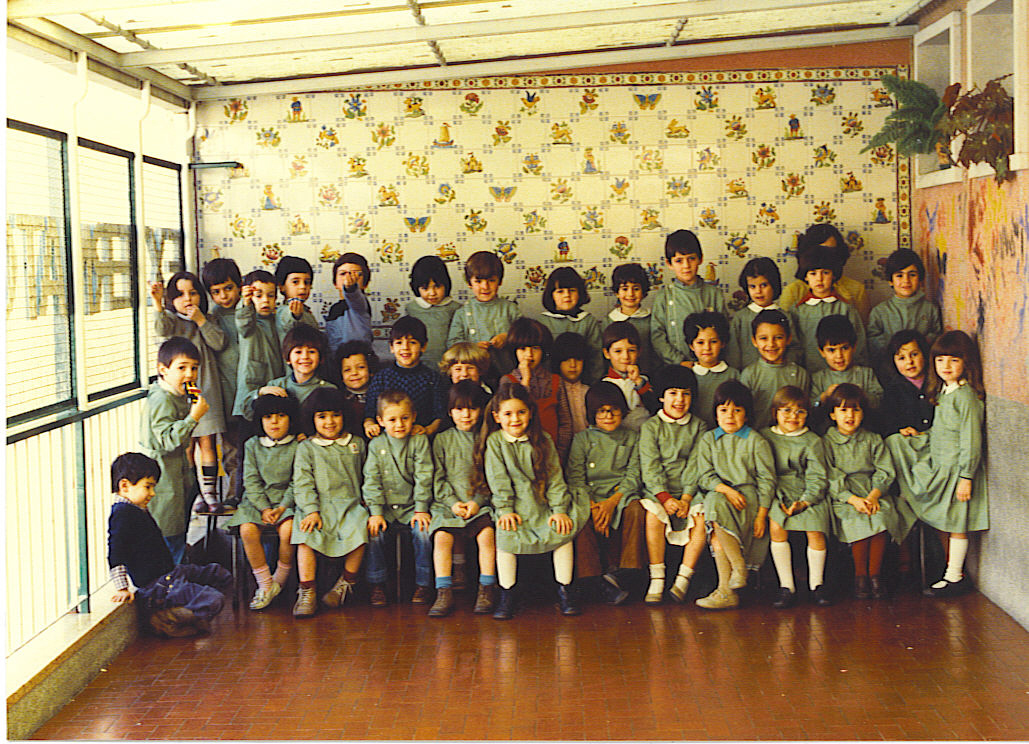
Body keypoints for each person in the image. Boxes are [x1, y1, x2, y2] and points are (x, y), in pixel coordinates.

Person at [474, 381, 588, 619]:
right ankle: (507, 593)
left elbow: (555, 477)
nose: (515, 419)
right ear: (497, 416)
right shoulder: (495, 443)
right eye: (508, 414)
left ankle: (565, 590)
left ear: (530, 413)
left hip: (543, 503)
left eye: (521, 412)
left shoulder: (542, 439)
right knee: (505, 537)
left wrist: (559, 509)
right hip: (513, 506)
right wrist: (504, 510)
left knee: (562, 531)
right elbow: (498, 480)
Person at [886, 331, 988, 598]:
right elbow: (942, 431)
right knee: (898, 443)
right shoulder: (945, 391)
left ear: (967, 362)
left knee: (957, 523)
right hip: (941, 464)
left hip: (956, 470)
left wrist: (966, 476)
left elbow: (970, 439)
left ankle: (955, 576)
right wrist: (919, 437)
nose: (945, 367)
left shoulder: (966, 397)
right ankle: (950, 574)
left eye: (953, 360)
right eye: (940, 360)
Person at [108, 453, 232, 637]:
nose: (152, 493)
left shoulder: (136, 509)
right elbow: (115, 552)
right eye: (147, 487)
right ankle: (166, 618)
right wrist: (122, 587)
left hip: (170, 572)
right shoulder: (122, 514)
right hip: (158, 586)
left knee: (218, 572)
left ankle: (187, 606)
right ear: (124, 486)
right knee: (214, 600)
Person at [823, 384, 911, 600]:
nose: (850, 415)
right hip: (845, 496)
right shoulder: (826, 442)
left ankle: (875, 576)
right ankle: (860, 576)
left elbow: (885, 470)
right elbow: (829, 475)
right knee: (857, 520)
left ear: (863, 413)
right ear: (833, 414)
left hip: (873, 491)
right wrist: (852, 499)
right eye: (843, 410)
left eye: (855, 410)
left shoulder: (872, 439)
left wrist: (873, 495)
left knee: (880, 516)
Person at [694, 380, 776, 610]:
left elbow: (767, 480)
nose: (730, 416)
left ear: (747, 414)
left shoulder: (756, 441)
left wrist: (762, 515)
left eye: (737, 410)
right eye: (723, 410)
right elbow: (705, 476)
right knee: (713, 501)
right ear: (716, 413)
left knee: (714, 514)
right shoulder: (709, 440)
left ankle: (725, 591)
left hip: (748, 501)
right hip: (722, 496)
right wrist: (726, 489)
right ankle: (737, 569)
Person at [150, 271, 227, 513]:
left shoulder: (209, 320)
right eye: (180, 294)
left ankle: (211, 495)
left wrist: (201, 320)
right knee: (186, 445)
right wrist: (157, 304)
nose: (188, 299)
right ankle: (193, 493)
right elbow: (161, 329)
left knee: (208, 442)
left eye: (193, 293)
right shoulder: (172, 321)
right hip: (180, 391)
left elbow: (218, 343)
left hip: (205, 386)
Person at [566, 381, 647, 605]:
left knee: (636, 509)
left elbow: (633, 475)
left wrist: (611, 503)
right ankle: (593, 580)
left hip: (620, 496)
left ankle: (627, 573)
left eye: (614, 410)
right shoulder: (582, 439)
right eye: (602, 411)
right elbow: (575, 478)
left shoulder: (632, 438)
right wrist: (594, 506)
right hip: (591, 497)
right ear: (592, 414)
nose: (609, 416)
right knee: (580, 517)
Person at [290, 387, 369, 618]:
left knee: (360, 529)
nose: (329, 422)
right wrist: (311, 510)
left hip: (351, 504)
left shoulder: (356, 444)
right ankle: (307, 591)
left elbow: (368, 475)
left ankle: (344, 584)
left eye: (335, 415)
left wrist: (366, 502)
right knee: (305, 536)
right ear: (312, 419)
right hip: (318, 506)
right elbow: (302, 483)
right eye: (322, 416)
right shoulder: (306, 448)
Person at [637, 365, 709, 604]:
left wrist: (687, 497)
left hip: (690, 489)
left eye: (686, 394)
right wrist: (665, 498)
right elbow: (650, 466)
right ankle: (657, 577)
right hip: (660, 491)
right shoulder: (650, 427)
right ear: (661, 396)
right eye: (673, 393)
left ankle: (683, 579)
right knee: (653, 517)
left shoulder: (698, 426)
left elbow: (696, 464)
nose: (679, 400)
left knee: (701, 518)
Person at [427, 381, 498, 617]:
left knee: (487, 535)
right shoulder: (442, 440)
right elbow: (438, 479)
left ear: (481, 410)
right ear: (450, 412)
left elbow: (492, 478)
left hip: (480, 505)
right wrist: (453, 503)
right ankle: (444, 591)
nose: (465, 414)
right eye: (459, 409)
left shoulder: (488, 439)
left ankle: (486, 588)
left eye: (472, 408)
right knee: (442, 539)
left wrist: (477, 502)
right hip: (449, 505)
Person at [227, 394, 300, 610]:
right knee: (247, 530)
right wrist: (264, 508)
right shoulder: (252, 445)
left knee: (288, 531)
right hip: (257, 502)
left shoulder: (297, 445)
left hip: (287, 503)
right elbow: (250, 479)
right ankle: (265, 584)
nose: (274, 422)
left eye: (280, 416)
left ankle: (279, 581)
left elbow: (298, 481)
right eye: (268, 417)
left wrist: (282, 506)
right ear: (259, 420)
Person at [140, 337, 208, 565]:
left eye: (194, 368)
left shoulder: (178, 395)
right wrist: (193, 417)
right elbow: (168, 440)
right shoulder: (161, 399)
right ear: (163, 370)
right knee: (169, 533)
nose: (189, 374)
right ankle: (171, 586)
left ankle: (176, 578)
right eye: (182, 368)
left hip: (178, 472)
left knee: (178, 527)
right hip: (163, 476)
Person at [363, 390, 435, 607]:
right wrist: (375, 513)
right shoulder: (376, 445)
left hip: (412, 507)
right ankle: (377, 583)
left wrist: (421, 508)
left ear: (413, 417)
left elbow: (425, 476)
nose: (399, 424)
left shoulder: (419, 441)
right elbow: (372, 480)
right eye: (392, 420)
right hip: (384, 508)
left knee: (423, 533)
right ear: (381, 421)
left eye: (404, 418)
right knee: (374, 534)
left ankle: (423, 584)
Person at [763, 386, 831, 608]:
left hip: (807, 491)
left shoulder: (812, 440)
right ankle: (787, 586)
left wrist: (806, 501)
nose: (793, 417)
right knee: (777, 526)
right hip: (777, 489)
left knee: (815, 529)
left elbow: (818, 476)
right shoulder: (765, 436)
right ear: (775, 413)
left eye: (800, 412)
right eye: (786, 411)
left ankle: (816, 585)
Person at [201, 257, 244, 505]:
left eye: (228, 288)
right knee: (231, 453)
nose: (223, 296)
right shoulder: (212, 319)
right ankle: (233, 498)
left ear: (239, 285)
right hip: (227, 400)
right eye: (216, 292)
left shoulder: (251, 311)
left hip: (254, 397)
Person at [789, 237, 868, 372]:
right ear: (805, 277)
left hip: (843, 373)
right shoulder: (797, 310)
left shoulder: (845, 307)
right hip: (810, 373)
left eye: (825, 273)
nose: (819, 279)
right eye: (813, 273)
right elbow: (794, 345)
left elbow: (859, 343)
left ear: (834, 275)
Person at [650, 229, 726, 366]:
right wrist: (679, 361)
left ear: (700, 259)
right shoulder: (664, 297)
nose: (686, 266)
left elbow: (724, 333)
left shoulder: (714, 294)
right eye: (679, 261)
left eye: (691, 258)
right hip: (675, 367)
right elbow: (657, 336)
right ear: (669, 263)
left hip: (709, 365)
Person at [363, 316, 447, 437]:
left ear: (423, 346)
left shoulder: (432, 378)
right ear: (391, 347)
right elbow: (370, 412)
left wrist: (428, 430)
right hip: (388, 440)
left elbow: (439, 414)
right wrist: (369, 424)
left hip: (420, 438)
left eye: (412, 342)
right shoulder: (382, 377)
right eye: (399, 342)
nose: (405, 348)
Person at [446, 250, 520, 384]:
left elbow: (526, 336)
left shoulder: (510, 308)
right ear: (469, 282)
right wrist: (472, 348)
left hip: (508, 373)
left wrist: (507, 337)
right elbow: (453, 344)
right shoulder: (462, 313)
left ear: (500, 281)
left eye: (491, 281)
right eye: (478, 281)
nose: (485, 287)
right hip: (474, 378)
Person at [867, 249, 942, 377]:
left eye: (912, 274)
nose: (906, 280)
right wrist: (896, 348)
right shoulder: (880, 311)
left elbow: (936, 335)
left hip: (923, 371)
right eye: (899, 275)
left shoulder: (930, 309)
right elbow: (873, 341)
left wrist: (922, 342)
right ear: (890, 280)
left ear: (920, 279)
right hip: (889, 372)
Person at [779, 224, 871, 323]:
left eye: (830, 251)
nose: (823, 256)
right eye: (817, 250)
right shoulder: (793, 291)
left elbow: (862, 329)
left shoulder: (856, 290)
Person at [241, 324, 336, 418]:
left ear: (320, 358)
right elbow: (248, 413)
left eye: (311, 351)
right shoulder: (276, 386)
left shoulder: (328, 389)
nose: (305, 357)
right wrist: (260, 392)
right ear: (287, 358)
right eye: (298, 352)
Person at [234, 269, 293, 419]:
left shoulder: (277, 320)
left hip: (277, 384)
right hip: (253, 386)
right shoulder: (249, 322)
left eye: (270, 295)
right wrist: (245, 303)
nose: (265, 300)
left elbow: (288, 321)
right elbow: (243, 322)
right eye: (258, 296)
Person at [739, 309, 811, 430]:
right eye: (763, 338)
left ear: (788, 339)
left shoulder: (799, 374)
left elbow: (804, 412)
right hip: (757, 439)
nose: (771, 344)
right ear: (754, 341)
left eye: (778, 337)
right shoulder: (749, 374)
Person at [810, 315, 882, 434]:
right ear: (821, 351)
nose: (839, 355)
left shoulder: (866, 374)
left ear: (854, 347)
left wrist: (860, 394)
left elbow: (879, 402)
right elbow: (811, 409)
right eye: (832, 350)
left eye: (844, 348)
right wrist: (823, 397)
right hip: (829, 438)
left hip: (864, 436)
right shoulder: (818, 378)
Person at [502, 317, 566, 451]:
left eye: (535, 348)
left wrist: (560, 453)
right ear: (514, 351)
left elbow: (565, 422)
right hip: (521, 454)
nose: (529, 355)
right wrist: (525, 380)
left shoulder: (555, 380)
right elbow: (513, 414)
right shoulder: (507, 381)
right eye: (522, 349)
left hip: (552, 451)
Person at [727, 257, 799, 370]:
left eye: (764, 285)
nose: (758, 291)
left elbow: (794, 348)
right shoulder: (741, 318)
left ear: (774, 285)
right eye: (752, 286)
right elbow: (733, 352)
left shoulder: (785, 316)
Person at [537, 267, 603, 382]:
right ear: (551, 295)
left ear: (580, 293)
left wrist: (593, 384)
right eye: (560, 291)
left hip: (583, 383)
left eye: (572, 290)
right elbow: (540, 359)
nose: (567, 295)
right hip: (549, 385)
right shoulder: (542, 322)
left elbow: (596, 358)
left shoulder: (588, 321)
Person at [683, 311, 740, 430]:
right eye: (700, 342)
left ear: (723, 343)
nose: (707, 347)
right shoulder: (687, 374)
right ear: (691, 346)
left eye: (713, 341)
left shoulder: (734, 375)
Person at [405, 255, 462, 372]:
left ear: (446, 284)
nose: (432, 293)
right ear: (416, 287)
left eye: (437, 286)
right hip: (420, 366)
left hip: (450, 366)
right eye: (425, 288)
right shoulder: (411, 309)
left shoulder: (455, 308)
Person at [600, 321, 658, 432]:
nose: (625, 357)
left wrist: (638, 381)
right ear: (607, 353)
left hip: (644, 437)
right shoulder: (604, 384)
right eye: (618, 351)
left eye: (631, 350)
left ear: (639, 352)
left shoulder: (644, 381)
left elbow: (654, 407)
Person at [879, 330, 935, 438]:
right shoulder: (893, 390)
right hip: (910, 440)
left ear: (924, 354)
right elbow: (889, 422)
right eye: (902, 358)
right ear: (893, 361)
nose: (909, 361)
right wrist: (901, 430)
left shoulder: (936, 382)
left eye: (914, 354)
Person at [607, 262, 655, 375]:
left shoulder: (652, 320)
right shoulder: (608, 321)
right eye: (624, 288)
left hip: (648, 378)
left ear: (643, 292)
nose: (630, 294)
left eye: (636, 288)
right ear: (616, 292)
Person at [550, 332, 590, 459]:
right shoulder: (553, 391)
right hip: (561, 452)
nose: (573, 365)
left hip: (588, 450)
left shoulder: (588, 391)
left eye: (578, 359)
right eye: (566, 359)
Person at [325, 252, 373, 354]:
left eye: (356, 274)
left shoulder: (361, 306)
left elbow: (354, 297)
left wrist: (351, 288)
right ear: (335, 283)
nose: (348, 278)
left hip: (360, 361)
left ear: (365, 283)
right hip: (337, 362)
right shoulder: (334, 309)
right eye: (343, 274)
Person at [335, 340, 378, 440]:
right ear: (340, 374)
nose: (354, 373)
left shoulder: (379, 394)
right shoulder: (338, 397)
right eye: (347, 370)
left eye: (360, 367)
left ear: (370, 370)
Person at [274, 255, 318, 339]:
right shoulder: (282, 312)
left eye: (306, 282)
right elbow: (288, 320)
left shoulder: (306, 312)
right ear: (281, 286)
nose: (302, 286)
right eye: (295, 282)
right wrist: (295, 316)